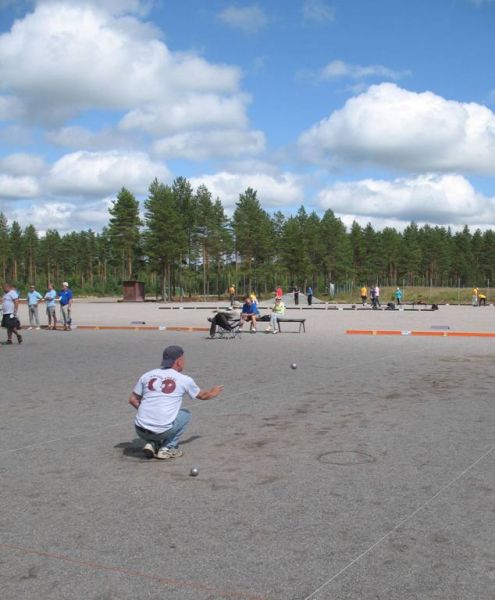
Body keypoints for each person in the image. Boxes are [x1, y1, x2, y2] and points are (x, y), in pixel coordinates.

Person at [129, 345, 223, 459]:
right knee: (185, 414)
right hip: (161, 431)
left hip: (139, 430)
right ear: (178, 361)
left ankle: (152, 443)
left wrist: (148, 412)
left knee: (156, 422)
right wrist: (213, 392)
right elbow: (203, 396)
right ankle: (167, 448)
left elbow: (133, 400)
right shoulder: (184, 379)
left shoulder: (147, 375)